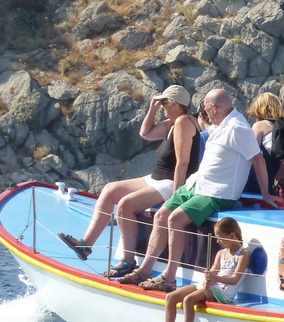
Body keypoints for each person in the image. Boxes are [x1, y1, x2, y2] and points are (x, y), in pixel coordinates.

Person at [117, 88, 278, 289]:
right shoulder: (220, 125)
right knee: (161, 215)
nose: (203, 111)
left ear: (213, 107)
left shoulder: (238, 128)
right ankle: (144, 270)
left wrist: (266, 194)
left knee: (175, 219)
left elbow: (258, 158)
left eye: (204, 107)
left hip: (217, 192)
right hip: (196, 184)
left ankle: (169, 278)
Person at [57, 85, 199, 276]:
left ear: (174, 104)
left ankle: (128, 259)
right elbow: (146, 134)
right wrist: (153, 108)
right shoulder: (172, 122)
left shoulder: (183, 122)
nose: (162, 106)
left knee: (126, 205)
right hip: (156, 177)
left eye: (164, 103)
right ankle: (86, 244)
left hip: (169, 182)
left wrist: (176, 195)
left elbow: (183, 162)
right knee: (109, 190)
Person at [157, 217, 249, 322]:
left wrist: (215, 278)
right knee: (171, 297)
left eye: (221, 238)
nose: (218, 241)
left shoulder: (243, 254)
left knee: (188, 300)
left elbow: (235, 279)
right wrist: (208, 276)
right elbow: (214, 270)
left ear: (232, 235)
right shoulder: (220, 253)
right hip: (213, 285)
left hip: (223, 292)